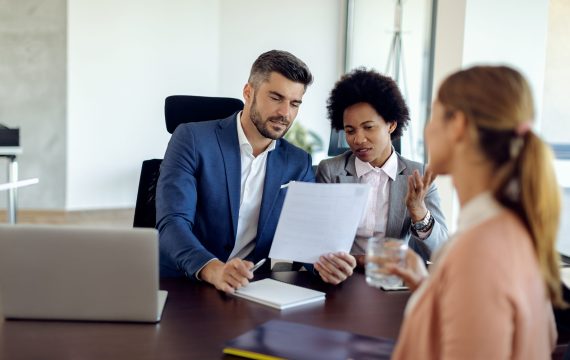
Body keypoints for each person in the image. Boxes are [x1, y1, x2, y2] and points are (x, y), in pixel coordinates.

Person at [389, 65, 564, 359]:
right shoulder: (514, 231)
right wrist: (432, 290)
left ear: (457, 124)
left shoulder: (479, 251)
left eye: (433, 114)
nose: (427, 129)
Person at [156, 50, 315, 293]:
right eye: (276, 97)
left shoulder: (298, 162)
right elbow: (173, 222)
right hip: (183, 284)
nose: (285, 113)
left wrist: (323, 263)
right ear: (248, 92)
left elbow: (304, 234)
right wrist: (213, 268)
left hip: (248, 290)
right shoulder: (191, 139)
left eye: (294, 103)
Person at [315, 68, 447, 276]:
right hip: (343, 276)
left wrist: (419, 213)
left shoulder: (417, 175)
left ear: (391, 125)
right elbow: (318, 240)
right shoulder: (331, 171)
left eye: (368, 127)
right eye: (350, 131)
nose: (358, 139)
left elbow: (440, 251)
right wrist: (357, 260)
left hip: (395, 280)